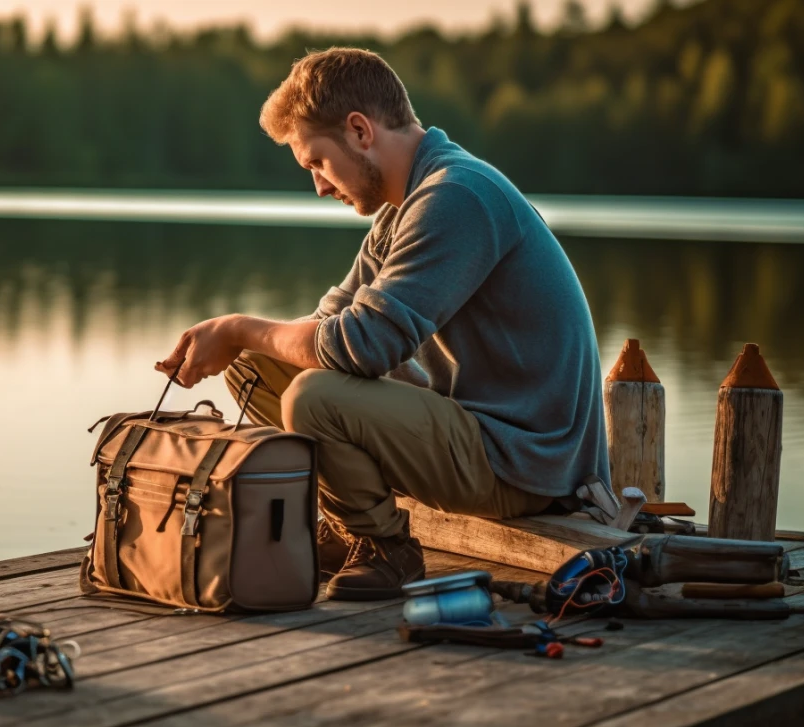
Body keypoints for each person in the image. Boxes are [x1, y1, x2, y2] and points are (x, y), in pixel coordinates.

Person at [154, 47, 610, 601]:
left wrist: (236, 326)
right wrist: (238, 339)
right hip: (478, 433)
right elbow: (333, 321)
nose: (319, 186)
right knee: (258, 366)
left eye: (317, 162)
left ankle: (385, 547)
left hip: (526, 462)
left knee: (314, 397)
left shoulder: (456, 196)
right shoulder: (406, 204)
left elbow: (361, 347)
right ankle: (346, 523)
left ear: (359, 130)